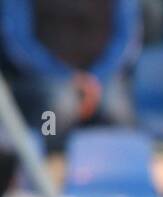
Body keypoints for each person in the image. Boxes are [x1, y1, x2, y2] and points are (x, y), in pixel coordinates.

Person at [0, 0, 140, 130]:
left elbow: (126, 39)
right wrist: (66, 76)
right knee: (58, 109)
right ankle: (45, 146)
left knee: (117, 109)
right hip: (45, 76)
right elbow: (18, 41)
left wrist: (95, 78)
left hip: (102, 77)